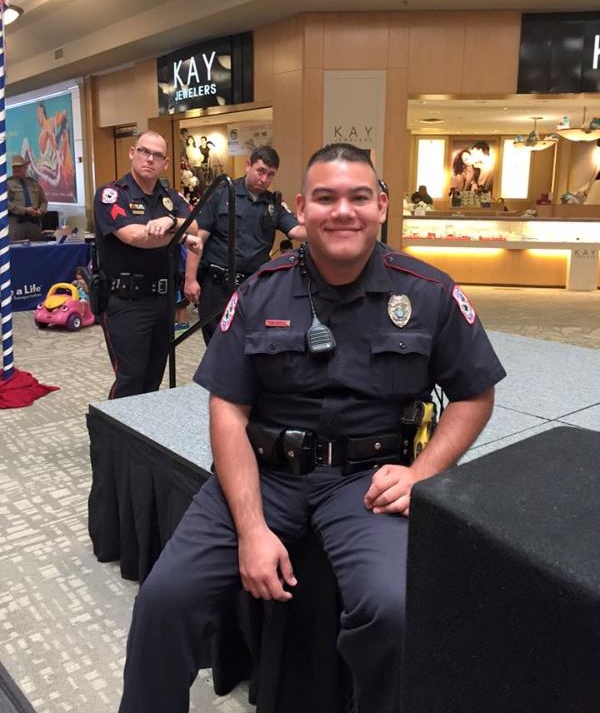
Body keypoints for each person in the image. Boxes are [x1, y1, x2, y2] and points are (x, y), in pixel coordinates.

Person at [119, 143, 506, 713]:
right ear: (302, 209)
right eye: (325, 198)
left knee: (395, 610)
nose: (342, 211)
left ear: (381, 205)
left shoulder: (428, 293)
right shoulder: (260, 291)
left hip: (366, 481)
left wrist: (422, 474)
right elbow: (228, 409)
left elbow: (476, 392)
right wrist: (251, 529)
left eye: (357, 197)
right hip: (265, 474)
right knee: (164, 599)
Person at [93, 131, 202, 398]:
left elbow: (195, 225)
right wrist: (182, 238)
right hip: (126, 301)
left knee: (153, 378)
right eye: (144, 152)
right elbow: (133, 236)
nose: (149, 159)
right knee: (131, 377)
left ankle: (141, 438)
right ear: (132, 152)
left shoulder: (171, 197)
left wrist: (169, 222)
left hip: (163, 300)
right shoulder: (112, 194)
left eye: (157, 155)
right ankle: (114, 439)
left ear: (165, 163)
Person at [184, 145, 306, 344]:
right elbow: (198, 239)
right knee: (217, 346)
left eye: (270, 175)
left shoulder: (273, 203)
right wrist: (190, 279)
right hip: (218, 284)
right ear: (248, 166)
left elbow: (296, 231)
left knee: (248, 345)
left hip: (254, 286)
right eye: (260, 171)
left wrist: (325, 225)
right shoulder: (223, 194)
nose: (264, 179)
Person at [7, 154, 48, 241]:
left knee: (36, 250)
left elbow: (43, 201)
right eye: (14, 167)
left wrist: (41, 211)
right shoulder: (7, 183)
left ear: (26, 167)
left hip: (33, 223)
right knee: (16, 250)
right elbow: (4, 203)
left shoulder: (34, 183)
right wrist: (25, 210)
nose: (16, 169)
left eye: (19, 167)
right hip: (16, 223)